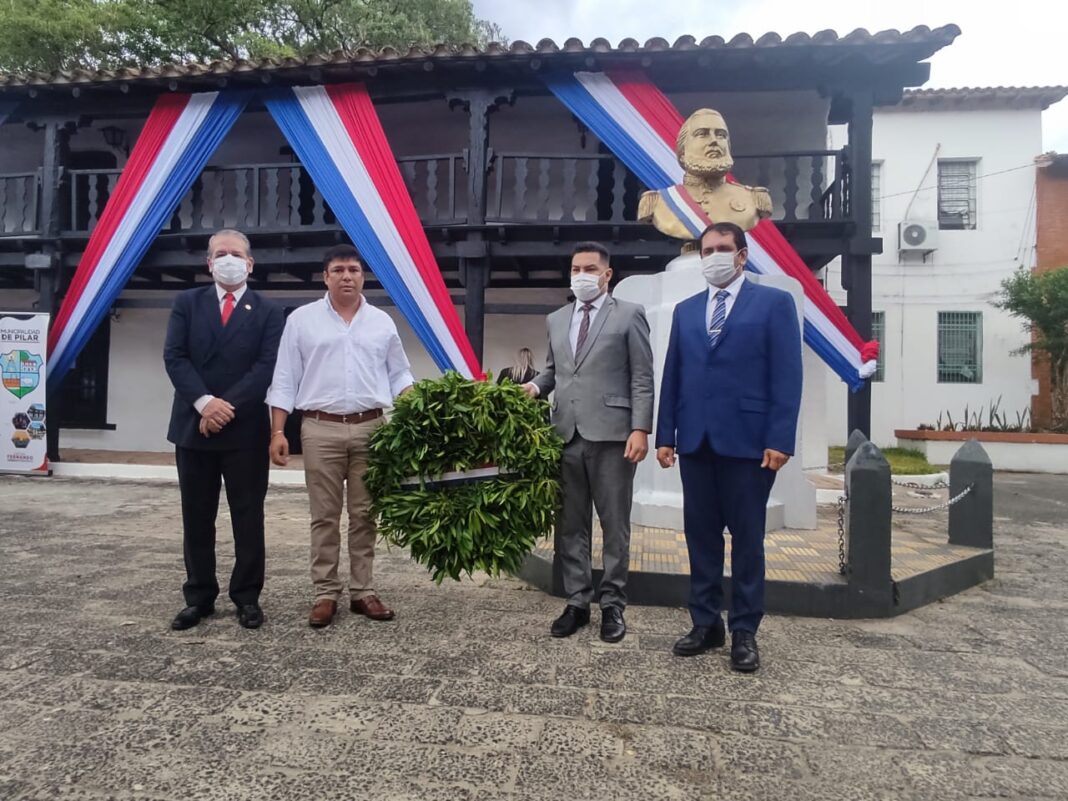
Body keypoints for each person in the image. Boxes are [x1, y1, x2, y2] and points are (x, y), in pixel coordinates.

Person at [655, 221, 802, 672]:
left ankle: (743, 630)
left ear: (741, 254)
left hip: (749, 444)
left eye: (722, 248)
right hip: (696, 441)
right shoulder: (685, 310)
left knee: (747, 541)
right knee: (700, 538)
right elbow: (673, 375)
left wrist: (780, 437)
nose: (713, 256)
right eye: (706, 250)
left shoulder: (774, 303)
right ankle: (705, 623)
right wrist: (666, 435)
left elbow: (786, 375)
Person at [267, 244, 414, 629]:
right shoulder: (301, 320)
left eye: (353, 269)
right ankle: (325, 593)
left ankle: (362, 591)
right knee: (324, 516)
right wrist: (278, 431)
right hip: (319, 428)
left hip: (371, 428)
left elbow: (399, 373)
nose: (347, 276)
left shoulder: (381, 322)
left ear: (362, 276)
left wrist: (416, 402)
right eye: (338, 270)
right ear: (326, 276)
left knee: (366, 514)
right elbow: (284, 377)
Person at [524, 241, 654, 643]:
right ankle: (577, 601)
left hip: (615, 435)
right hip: (565, 434)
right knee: (570, 524)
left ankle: (613, 603)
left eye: (590, 268)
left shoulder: (630, 315)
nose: (582, 275)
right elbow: (554, 373)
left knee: (615, 525)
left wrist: (641, 428)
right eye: (576, 268)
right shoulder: (556, 319)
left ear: (607, 274)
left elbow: (642, 377)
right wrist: (531, 388)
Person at [163, 229, 284, 631]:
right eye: (221, 253)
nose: (228, 259)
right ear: (209, 263)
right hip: (193, 427)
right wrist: (204, 403)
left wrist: (224, 407)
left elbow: (266, 367)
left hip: (244, 429)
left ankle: (247, 597)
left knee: (248, 518)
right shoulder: (187, 303)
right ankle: (199, 597)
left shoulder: (268, 310)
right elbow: (175, 357)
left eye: (236, 253)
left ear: (250, 264)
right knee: (196, 517)